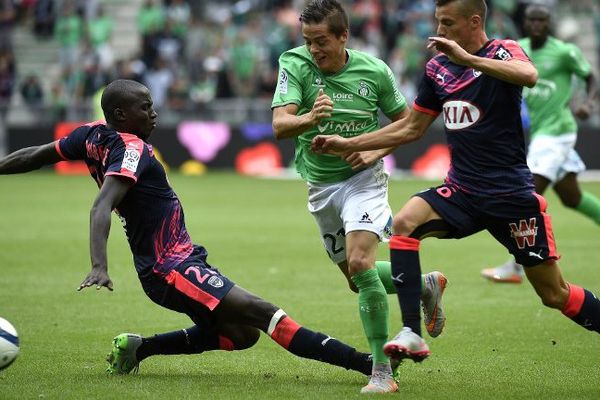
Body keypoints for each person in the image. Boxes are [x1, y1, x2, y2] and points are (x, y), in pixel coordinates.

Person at [0, 79, 380, 386]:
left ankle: (138, 349)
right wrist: (99, 265)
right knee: (265, 314)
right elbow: (101, 204)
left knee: (242, 335)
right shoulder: (131, 150)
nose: (154, 113)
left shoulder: (90, 134)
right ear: (121, 114)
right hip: (171, 268)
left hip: (177, 261)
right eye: (145, 108)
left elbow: (35, 154)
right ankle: (366, 363)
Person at [311, 0, 600, 365]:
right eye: (437, 21)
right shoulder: (437, 68)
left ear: (474, 21)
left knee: (554, 294)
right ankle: (412, 332)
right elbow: (412, 127)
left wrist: (470, 59)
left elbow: (528, 76)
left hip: (510, 196)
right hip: (462, 190)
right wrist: (352, 144)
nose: (440, 31)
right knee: (404, 223)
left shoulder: (503, 50)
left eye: (447, 23)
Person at [271, 0, 447, 393]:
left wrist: (374, 151)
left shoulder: (375, 71)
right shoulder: (294, 63)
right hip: (321, 187)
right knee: (356, 278)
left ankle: (381, 371)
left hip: (364, 180)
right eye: (308, 41)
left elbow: (407, 125)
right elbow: (281, 125)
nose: (314, 49)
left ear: (343, 36)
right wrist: (309, 118)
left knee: (360, 262)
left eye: (321, 41)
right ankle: (422, 284)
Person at [481, 3, 600, 284]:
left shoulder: (563, 52)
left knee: (527, 198)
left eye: (542, 21)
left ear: (549, 23)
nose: (536, 25)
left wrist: (589, 102)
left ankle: (517, 265)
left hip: (557, 132)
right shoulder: (517, 49)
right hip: (540, 133)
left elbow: (590, 76)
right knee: (571, 196)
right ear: (525, 23)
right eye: (532, 21)